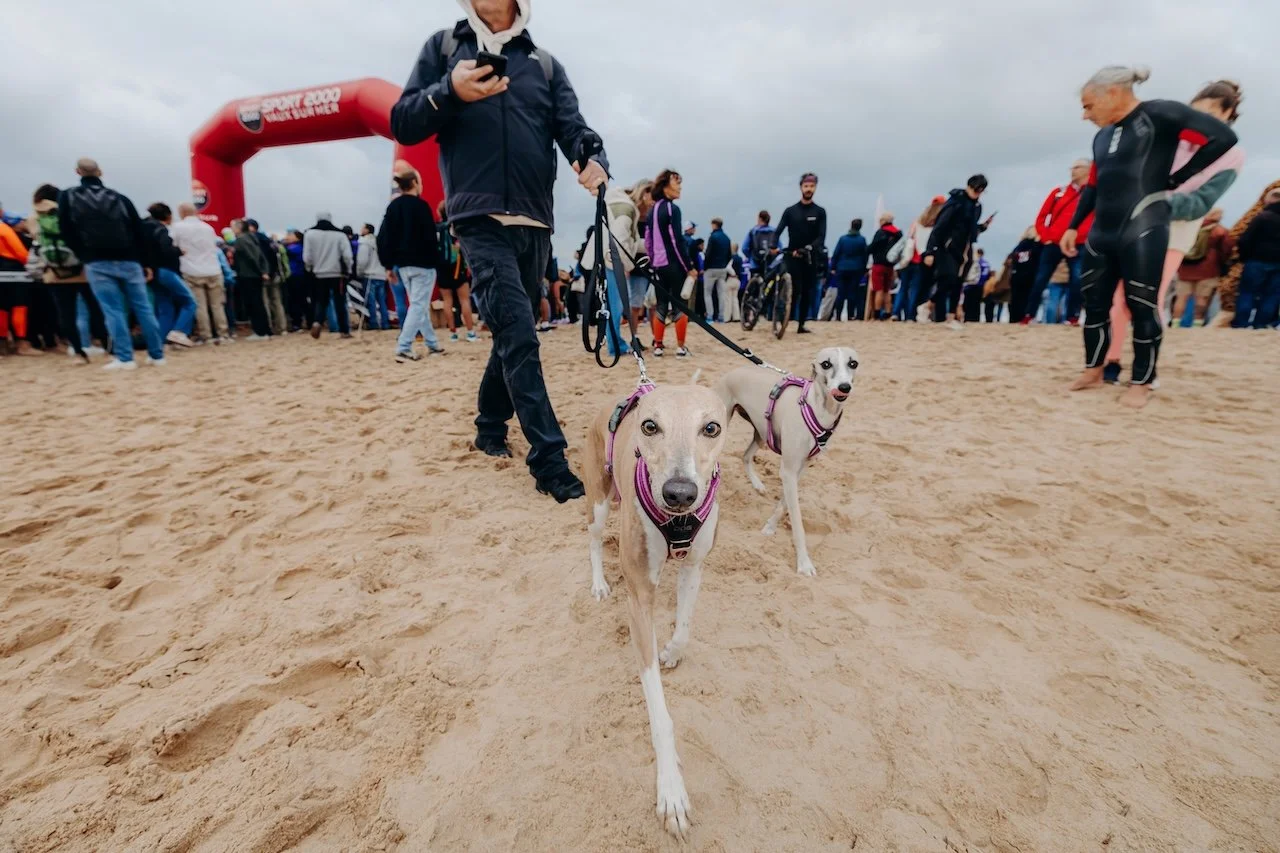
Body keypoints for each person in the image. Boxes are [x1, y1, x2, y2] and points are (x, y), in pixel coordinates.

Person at [391, 0, 607, 502]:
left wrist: (592, 158)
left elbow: (573, 129)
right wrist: (449, 92)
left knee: (516, 331)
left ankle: (490, 425)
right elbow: (403, 122)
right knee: (519, 336)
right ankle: (549, 462)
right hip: (476, 217)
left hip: (535, 221)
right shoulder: (444, 48)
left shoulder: (544, 64)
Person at [1062, 66, 1236, 408]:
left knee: (1141, 305)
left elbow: (1224, 139)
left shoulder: (1160, 113)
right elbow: (1094, 185)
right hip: (1102, 231)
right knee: (1095, 304)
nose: (1085, 115)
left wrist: (1178, 177)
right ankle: (1093, 369)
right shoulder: (1102, 137)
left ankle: (1141, 380)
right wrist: (1073, 225)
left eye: (1088, 105)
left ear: (1112, 93)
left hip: (1144, 225)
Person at [1103, 80, 1247, 378]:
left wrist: (1161, 204)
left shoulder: (1232, 155)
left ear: (1227, 113)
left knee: (1148, 296)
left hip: (1176, 227)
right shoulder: (1173, 137)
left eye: (1209, 113)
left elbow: (1203, 200)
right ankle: (1112, 360)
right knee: (1119, 295)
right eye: (1194, 113)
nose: (1200, 120)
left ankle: (1146, 368)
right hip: (1137, 221)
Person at [57, 158, 165, 369]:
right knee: (143, 308)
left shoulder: (68, 196)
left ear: (78, 172)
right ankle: (157, 355)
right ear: (100, 172)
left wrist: (83, 254)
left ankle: (125, 358)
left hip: (97, 261)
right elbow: (138, 231)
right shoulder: (120, 198)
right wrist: (145, 262)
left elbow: (66, 230)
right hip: (129, 260)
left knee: (113, 310)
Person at [26, 183, 107, 360]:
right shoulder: (70, 211)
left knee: (65, 313)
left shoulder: (33, 218)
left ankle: (78, 351)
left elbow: (37, 241)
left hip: (54, 273)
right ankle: (108, 345)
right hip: (81, 270)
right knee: (95, 308)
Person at [377, 170, 445, 361]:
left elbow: (383, 238)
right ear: (415, 183)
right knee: (418, 305)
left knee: (418, 305)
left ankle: (432, 344)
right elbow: (431, 238)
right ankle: (404, 346)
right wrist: (437, 262)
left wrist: (388, 265)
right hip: (423, 263)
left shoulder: (393, 207)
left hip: (403, 265)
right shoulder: (422, 206)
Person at [1026, 159, 1093, 324]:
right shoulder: (1059, 192)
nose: (1072, 170)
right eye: (1072, 167)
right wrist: (1046, 236)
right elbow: (1042, 216)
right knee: (1041, 278)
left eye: (1077, 167)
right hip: (1054, 242)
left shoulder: (1094, 193)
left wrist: (1084, 237)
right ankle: (1029, 315)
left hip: (1079, 243)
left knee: (1077, 280)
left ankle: (1072, 317)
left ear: (1088, 169)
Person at [926, 174, 991, 327]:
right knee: (949, 278)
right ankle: (929, 305)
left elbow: (970, 228)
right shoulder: (956, 202)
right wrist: (930, 251)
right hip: (947, 246)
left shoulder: (977, 206)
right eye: (976, 190)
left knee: (959, 281)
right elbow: (939, 226)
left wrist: (982, 227)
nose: (978, 193)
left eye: (981, 191)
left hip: (965, 247)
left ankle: (951, 316)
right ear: (969, 186)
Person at [644, 169, 693, 358]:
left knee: (661, 304)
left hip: (658, 265)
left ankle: (658, 345)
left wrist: (653, 261)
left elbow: (648, 240)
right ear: (665, 186)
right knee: (680, 304)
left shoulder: (652, 211)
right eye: (676, 183)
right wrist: (689, 267)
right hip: (674, 263)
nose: (679, 187)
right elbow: (676, 241)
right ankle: (681, 347)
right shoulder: (673, 209)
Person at [170, 202, 231, 345]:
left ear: (181, 213)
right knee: (217, 305)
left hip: (191, 269)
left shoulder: (178, 227)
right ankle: (223, 334)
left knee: (200, 306)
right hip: (213, 269)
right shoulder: (208, 228)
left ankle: (206, 335)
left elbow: (172, 245)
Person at [774, 173, 827, 334]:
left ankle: (801, 324)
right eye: (806, 186)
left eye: (811, 186)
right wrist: (773, 245)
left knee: (807, 291)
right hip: (791, 255)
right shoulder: (790, 211)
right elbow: (778, 231)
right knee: (791, 290)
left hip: (810, 257)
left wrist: (810, 247)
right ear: (801, 187)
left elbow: (821, 236)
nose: (808, 189)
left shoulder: (820, 211)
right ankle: (782, 319)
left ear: (815, 188)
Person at [140, 203, 197, 348]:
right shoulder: (161, 229)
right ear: (168, 216)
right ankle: (179, 331)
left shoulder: (142, 228)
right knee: (189, 302)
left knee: (165, 307)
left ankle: (161, 340)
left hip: (149, 272)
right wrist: (178, 251)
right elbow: (166, 250)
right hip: (165, 270)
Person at [1172, 210, 1232, 326]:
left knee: (1181, 298)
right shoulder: (1219, 231)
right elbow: (1227, 249)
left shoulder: (1190, 227)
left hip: (1185, 269)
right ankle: (1197, 323)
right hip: (1208, 270)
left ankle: (1175, 323)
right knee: (1202, 298)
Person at [1232, 187, 1280, 328]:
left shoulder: (1262, 217)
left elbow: (1245, 240)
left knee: (1248, 292)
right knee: (1272, 295)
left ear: (1270, 199)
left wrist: (1244, 256)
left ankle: (1241, 323)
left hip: (1256, 261)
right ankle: (1262, 324)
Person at [303, 211, 353, 339]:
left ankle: (317, 322)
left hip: (319, 273)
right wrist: (348, 269)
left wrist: (310, 268)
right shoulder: (340, 235)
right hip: (338, 273)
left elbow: (307, 257)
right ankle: (344, 330)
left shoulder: (309, 234)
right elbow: (347, 256)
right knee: (340, 301)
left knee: (321, 300)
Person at [0, 201, 37, 356]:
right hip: (13, 271)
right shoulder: (3, 229)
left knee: (1, 309)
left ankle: (2, 345)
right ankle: (22, 343)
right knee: (19, 307)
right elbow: (21, 253)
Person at [231, 218, 272, 339]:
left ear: (239, 228)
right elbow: (259, 256)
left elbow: (252, 257)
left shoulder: (241, 240)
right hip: (255, 275)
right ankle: (265, 330)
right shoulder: (252, 238)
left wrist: (261, 271)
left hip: (248, 275)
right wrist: (264, 270)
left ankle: (259, 331)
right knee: (259, 303)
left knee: (253, 304)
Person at [905, 196, 944, 322]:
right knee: (929, 287)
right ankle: (924, 314)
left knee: (916, 288)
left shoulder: (920, 221)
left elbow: (915, 239)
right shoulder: (939, 222)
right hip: (932, 255)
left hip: (920, 257)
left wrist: (923, 253)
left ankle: (910, 315)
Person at [247, 219, 287, 335]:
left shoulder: (253, 240)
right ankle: (282, 327)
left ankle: (268, 327)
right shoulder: (268, 240)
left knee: (264, 302)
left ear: (252, 227)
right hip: (274, 274)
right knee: (276, 301)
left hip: (261, 275)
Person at [830, 219, 867, 321]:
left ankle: (838, 315)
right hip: (856, 268)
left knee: (840, 293)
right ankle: (850, 315)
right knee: (852, 293)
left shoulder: (843, 239)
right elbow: (865, 256)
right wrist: (864, 269)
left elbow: (836, 253)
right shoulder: (861, 240)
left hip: (842, 268)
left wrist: (833, 267)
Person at [355, 223, 390, 331]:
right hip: (381, 275)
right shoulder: (379, 242)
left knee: (371, 302)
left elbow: (362, 261)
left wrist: (359, 272)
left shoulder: (365, 243)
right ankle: (385, 323)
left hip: (370, 275)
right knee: (382, 301)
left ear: (366, 230)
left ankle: (373, 323)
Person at [868, 213, 901, 321]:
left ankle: (877, 314)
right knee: (887, 290)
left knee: (879, 289)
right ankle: (888, 313)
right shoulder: (898, 233)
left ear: (883, 221)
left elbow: (873, 247)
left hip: (878, 264)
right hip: (890, 265)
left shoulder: (880, 232)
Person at [1006, 227, 1042, 323]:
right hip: (1030, 275)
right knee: (1027, 298)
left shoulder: (1019, 246)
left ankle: (1013, 318)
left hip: (1016, 275)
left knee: (1015, 298)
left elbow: (1012, 259)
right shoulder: (1037, 245)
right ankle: (1024, 317)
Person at [703, 217, 732, 323]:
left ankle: (710, 316)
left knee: (708, 293)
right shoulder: (727, 238)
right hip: (722, 268)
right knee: (721, 293)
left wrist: (705, 267)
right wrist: (724, 264)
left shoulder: (713, 237)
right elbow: (729, 255)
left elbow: (708, 253)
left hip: (711, 268)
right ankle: (721, 316)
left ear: (714, 225)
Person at [282, 230, 308, 331]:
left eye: (290, 235)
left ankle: (297, 323)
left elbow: (287, 251)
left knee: (295, 301)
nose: (287, 237)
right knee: (299, 300)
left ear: (297, 238)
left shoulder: (295, 248)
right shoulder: (299, 247)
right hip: (298, 276)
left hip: (295, 276)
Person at [961, 247, 991, 323]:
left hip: (972, 285)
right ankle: (975, 319)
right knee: (976, 305)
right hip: (980, 286)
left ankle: (968, 319)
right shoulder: (986, 263)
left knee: (969, 304)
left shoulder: (976, 262)